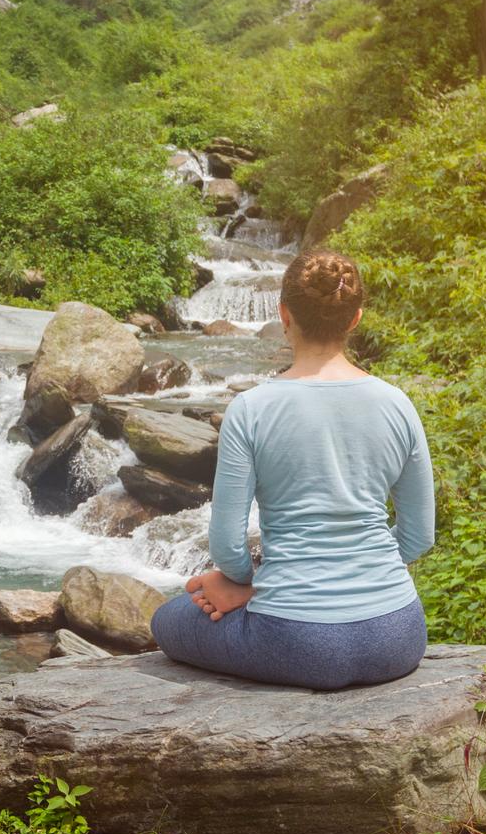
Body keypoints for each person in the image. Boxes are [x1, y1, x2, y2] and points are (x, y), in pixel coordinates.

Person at [150, 249, 433, 689]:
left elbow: (226, 547)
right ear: (355, 319)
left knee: (168, 619)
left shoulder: (251, 409)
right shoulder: (398, 403)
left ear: (283, 314)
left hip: (295, 640)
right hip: (398, 635)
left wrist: (245, 584)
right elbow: (418, 537)